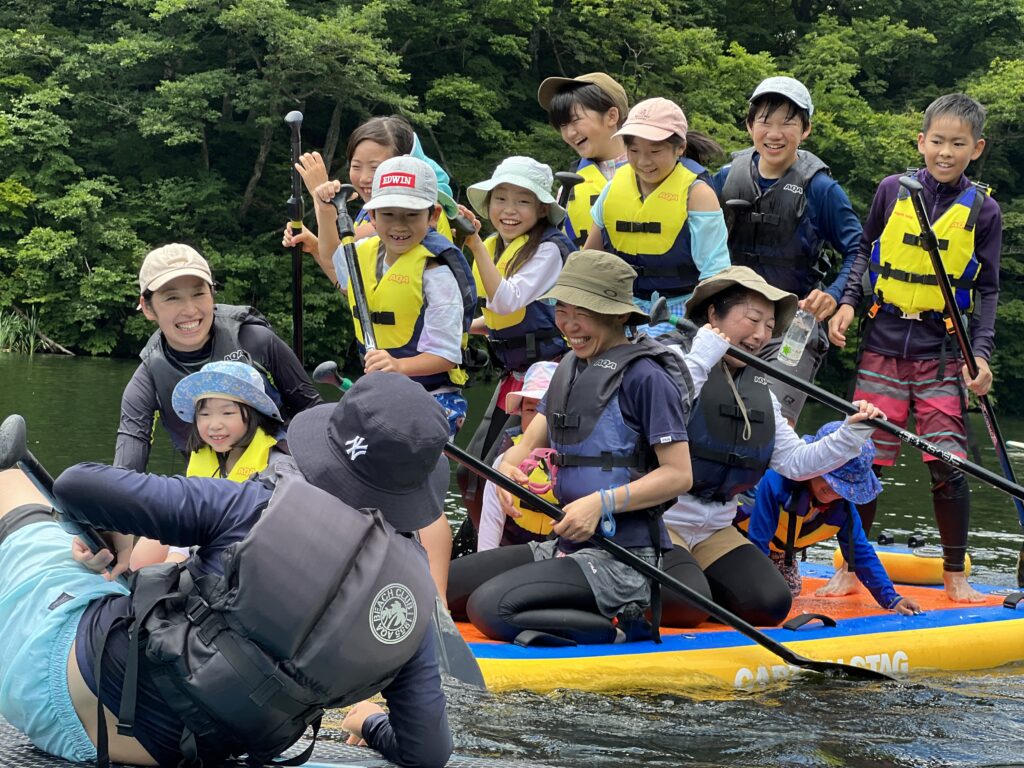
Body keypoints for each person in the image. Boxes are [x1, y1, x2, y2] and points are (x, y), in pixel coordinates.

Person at [0, 373, 453, 768]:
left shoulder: (251, 504)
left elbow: (77, 484)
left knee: (14, 488)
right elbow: (428, 753)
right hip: (186, 752)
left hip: (52, 689)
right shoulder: (411, 606)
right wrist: (372, 722)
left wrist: (115, 533)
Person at [447, 250, 694, 646]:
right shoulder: (567, 368)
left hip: (623, 558)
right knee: (445, 583)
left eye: (585, 313)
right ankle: (569, 604)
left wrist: (601, 503)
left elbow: (679, 475)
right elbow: (526, 444)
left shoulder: (647, 378)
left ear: (617, 316)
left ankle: (619, 627)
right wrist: (509, 475)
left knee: (488, 608)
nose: (569, 325)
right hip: (564, 546)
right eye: (562, 309)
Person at [827, 93, 1001, 603]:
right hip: (881, 343)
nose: (946, 152)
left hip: (942, 351)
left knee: (947, 464)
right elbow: (864, 251)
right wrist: (848, 303)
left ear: (977, 148)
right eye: (938, 141)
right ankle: (850, 568)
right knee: (863, 461)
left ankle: (954, 575)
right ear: (921, 141)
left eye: (958, 144)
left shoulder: (985, 210)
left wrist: (982, 354)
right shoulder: (891, 191)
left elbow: (988, 290)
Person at [657, 266, 886, 627]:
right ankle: (670, 582)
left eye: (769, 326)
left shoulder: (759, 387)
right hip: (658, 519)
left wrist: (850, 434)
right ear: (713, 314)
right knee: (684, 607)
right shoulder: (670, 358)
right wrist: (702, 358)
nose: (761, 335)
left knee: (771, 603)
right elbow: (660, 411)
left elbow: (795, 462)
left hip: (714, 525)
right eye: (752, 319)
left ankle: (692, 581)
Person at [712, 76, 863, 423]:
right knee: (710, 416)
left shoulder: (822, 188)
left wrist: (839, 295)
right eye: (765, 121)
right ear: (750, 126)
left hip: (793, 320)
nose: (775, 134)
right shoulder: (722, 179)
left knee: (769, 419)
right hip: (730, 315)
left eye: (788, 123)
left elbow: (859, 248)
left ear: (806, 129)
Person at [115, 243, 322, 473]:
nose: (190, 310)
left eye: (198, 293)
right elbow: (126, 469)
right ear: (147, 308)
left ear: (212, 292)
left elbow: (313, 410)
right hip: (209, 491)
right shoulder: (148, 378)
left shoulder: (255, 339)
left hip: (281, 476)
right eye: (172, 298)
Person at [456, 156, 574, 530]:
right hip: (514, 372)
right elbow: (498, 317)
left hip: (548, 374)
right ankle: (477, 540)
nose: (509, 210)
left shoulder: (549, 250)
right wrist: (459, 330)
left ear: (541, 208)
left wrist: (472, 243)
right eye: (500, 198)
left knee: (504, 469)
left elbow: (507, 299)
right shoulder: (494, 245)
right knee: (469, 470)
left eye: (523, 201)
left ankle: (510, 541)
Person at [736, 421, 922, 615]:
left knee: (788, 593)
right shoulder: (775, 482)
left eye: (842, 487)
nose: (835, 491)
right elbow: (757, 541)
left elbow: (860, 551)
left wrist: (891, 599)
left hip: (781, 549)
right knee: (763, 597)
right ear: (815, 462)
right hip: (742, 542)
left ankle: (776, 564)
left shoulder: (842, 508)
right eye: (832, 479)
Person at [582, 97, 730, 336]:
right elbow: (589, 257)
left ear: (679, 147)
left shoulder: (697, 193)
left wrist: (710, 328)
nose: (643, 161)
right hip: (623, 307)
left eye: (655, 151)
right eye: (634, 150)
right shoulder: (613, 188)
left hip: (680, 311)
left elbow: (715, 273)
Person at [132, 360, 290, 570]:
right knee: (141, 556)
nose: (214, 425)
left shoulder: (276, 463)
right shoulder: (205, 454)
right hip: (202, 534)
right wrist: (177, 551)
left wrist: (180, 560)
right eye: (204, 414)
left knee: (164, 572)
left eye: (227, 413)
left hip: (241, 553)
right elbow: (188, 511)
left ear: (253, 415)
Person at [284, 115, 458, 287]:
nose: (364, 178)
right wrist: (314, 245)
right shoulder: (373, 209)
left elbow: (339, 253)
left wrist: (322, 197)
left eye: (376, 168)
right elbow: (350, 282)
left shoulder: (407, 213)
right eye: (356, 166)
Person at [537, 72, 630, 246]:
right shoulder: (568, 189)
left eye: (575, 120)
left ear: (612, 116)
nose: (569, 133)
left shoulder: (653, 171)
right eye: (562, 125)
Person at [477, 360, 559, 551]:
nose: (539, 420)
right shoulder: (505, 462)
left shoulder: (579, 461)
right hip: (515, 551)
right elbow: (492, 522)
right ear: (520, 413)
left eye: (546, 411)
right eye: (531, 410)